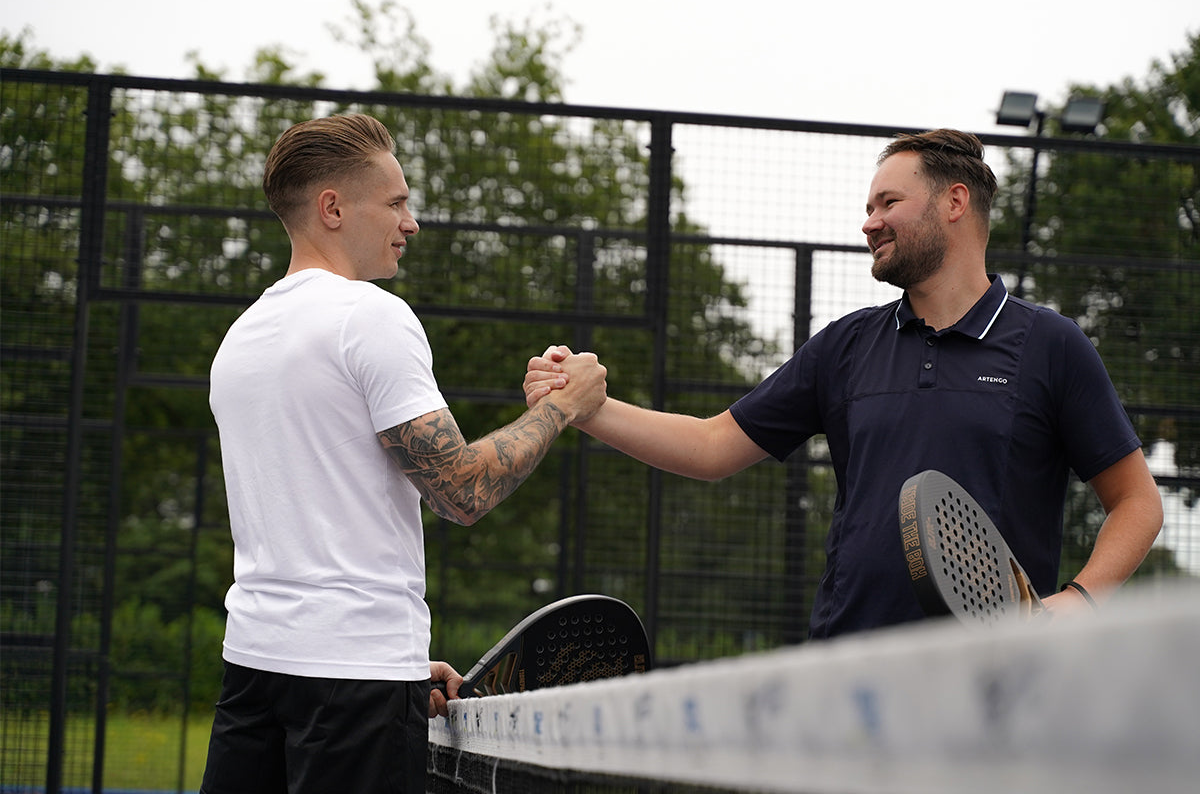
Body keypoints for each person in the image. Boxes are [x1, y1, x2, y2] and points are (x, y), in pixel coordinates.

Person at [526, 128, 1162, 639]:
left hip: (993, 687)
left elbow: (1138, 501)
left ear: (955, 202)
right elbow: (714, 445)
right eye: (867, 207)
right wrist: (591, 408)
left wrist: (1081, 599)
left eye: (888, 203)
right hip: (848, 675)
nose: (869, 222)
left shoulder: (1050, 345)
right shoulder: (848, 345)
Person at [201, 113, 606, 793]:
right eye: (396, 202)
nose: (410, 222)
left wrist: (396, 665)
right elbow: (462, 492)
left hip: (255, 668)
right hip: (352, 683)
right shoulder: (370, 314)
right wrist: (566, 406)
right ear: (332, 207)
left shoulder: (242, 337)